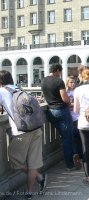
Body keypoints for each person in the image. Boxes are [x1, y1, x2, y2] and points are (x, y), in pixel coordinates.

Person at [0, 70, 47, 200]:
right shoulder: (18, 88)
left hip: (21, 132)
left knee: (14, 159)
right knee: (33, 163)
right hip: (36, 128)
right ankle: (30, 191)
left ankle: (39, 177)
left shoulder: (2, 91)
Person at [41, 63, 81, 171]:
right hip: (61, 111)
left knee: (63, 136)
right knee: (67, 138)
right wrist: (69, 101)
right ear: (57, 70)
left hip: (50, 111)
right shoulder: (59, 81)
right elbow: (65, 98)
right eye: (60, 72)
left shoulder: (43, 80)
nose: (60, 74)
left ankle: (70, 157)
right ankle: (70, 164)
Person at [66, 76, 83, 165]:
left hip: (78, 116)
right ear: (67, 83)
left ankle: (80, 155)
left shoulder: (77, 91)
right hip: (70, 117)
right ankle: (75, 155)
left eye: (74, 82)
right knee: (72, 138)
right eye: (70, 82)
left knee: (79, 137)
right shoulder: (66, 92)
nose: (72, 84)